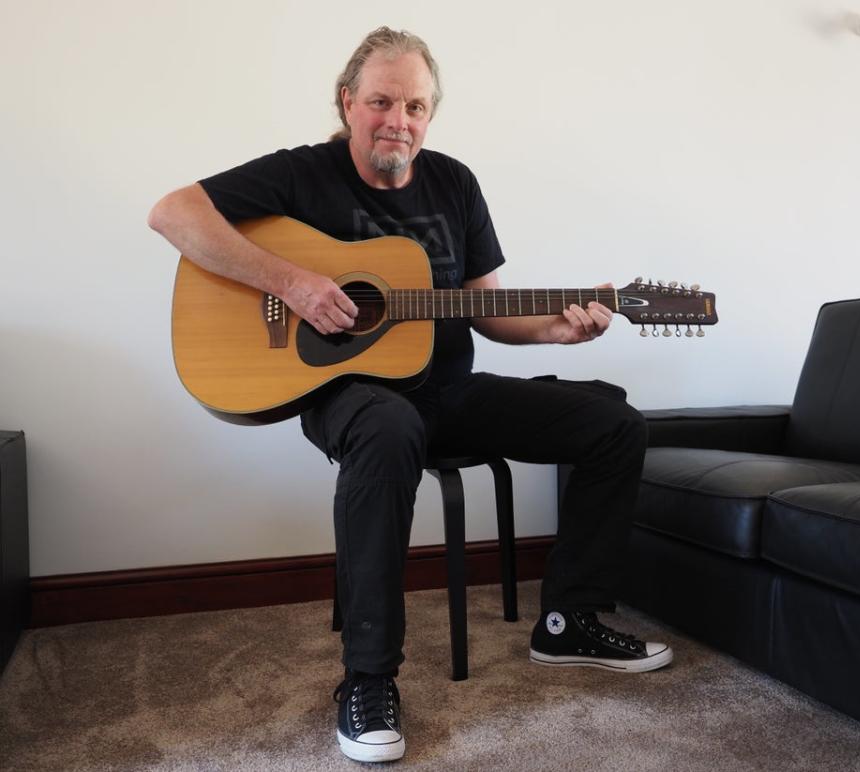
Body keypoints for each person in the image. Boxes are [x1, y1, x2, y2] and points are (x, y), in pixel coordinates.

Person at [148, 26, 673, 764]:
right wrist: (291, 281)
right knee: (390, 427)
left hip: (447, 391)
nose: (399, 119)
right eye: (382, 101)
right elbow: (173, 212)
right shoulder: (302, 175)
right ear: (347, 102)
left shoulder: (454, 182)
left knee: (614, 423)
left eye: (416, 106)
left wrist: (559, 331)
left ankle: (569, 622)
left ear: (431, 115)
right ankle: (367, 680)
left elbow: (486, 308)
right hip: (348, 397)